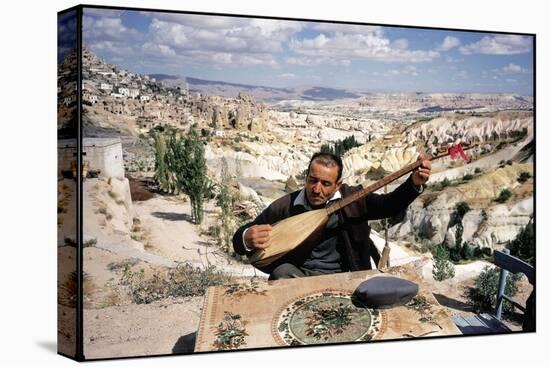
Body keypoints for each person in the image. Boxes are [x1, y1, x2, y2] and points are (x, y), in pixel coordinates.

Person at [232, 152, 431, 280]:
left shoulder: (354, 199)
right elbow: (243, 236)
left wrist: (413, 183)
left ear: (338, 184)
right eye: (312, 180)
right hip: (300, 276)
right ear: (307, 178)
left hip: (348, 275)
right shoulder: (287, 205)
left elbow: (388, 205)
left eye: (326, 184)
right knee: (279, 274)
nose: (316, 189)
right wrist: (246, 237)